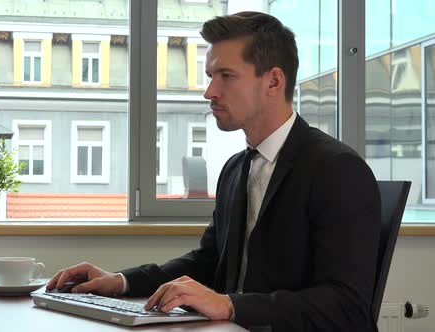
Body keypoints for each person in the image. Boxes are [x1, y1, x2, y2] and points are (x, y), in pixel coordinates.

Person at [47, 11, 380, 331]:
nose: (210, 92)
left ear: (273, 81)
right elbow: (208, 262)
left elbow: (347, 306)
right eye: (210, 77)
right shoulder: (237, 169)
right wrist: (121, 282)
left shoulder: (337, 170)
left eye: (226, 76)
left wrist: (230, 305)